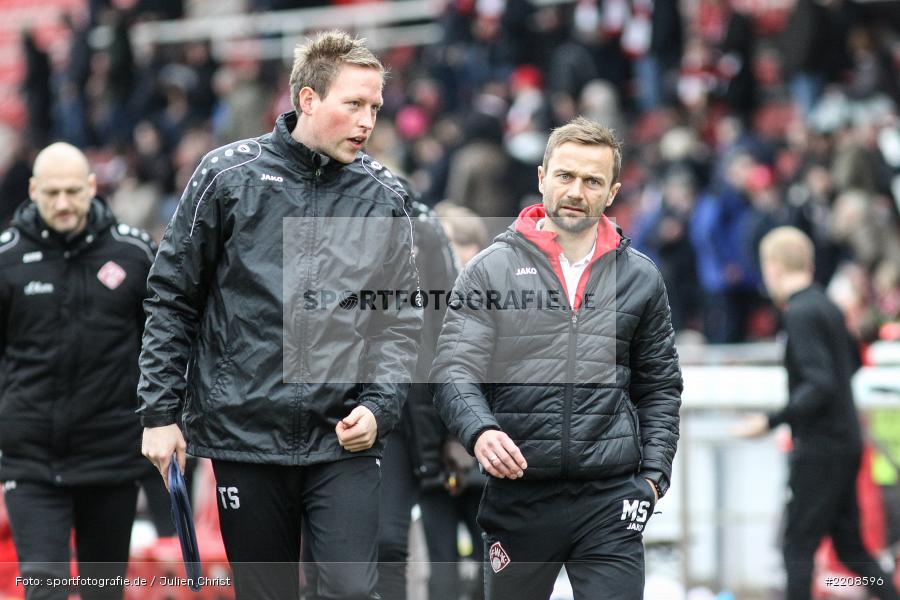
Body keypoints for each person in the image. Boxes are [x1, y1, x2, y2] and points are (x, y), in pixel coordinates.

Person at [137, 30, 422, 600]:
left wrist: (380, 404)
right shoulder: (225, 177)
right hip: (245, 436)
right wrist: (158, 414)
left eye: (375, 108)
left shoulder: (385, 196)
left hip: (345, 439)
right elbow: (172, 298)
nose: (369, 122)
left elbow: (401, 322)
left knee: (351, 592)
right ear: (308, 100)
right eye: (355, 104)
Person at [430, 116, 683, 600]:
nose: (576, 190)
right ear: (542, 177)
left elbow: (659, 385)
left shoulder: (640, 278)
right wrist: (480, 431)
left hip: (610, 500)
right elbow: (453, 371)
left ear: (612, 193)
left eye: (592, 181)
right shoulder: (490, 270)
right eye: (565, 176)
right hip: (519, 495)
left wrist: (652, 478)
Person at [0, 142, 156, 600]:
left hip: (111, 457)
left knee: (102, 592)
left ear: (92, 186)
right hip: (31, 461)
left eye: (72, 191)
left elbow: (163, 346)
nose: (63, 203)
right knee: (43, 588)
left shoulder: (134, 254)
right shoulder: (5, 259)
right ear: (32, 190)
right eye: (51, 193)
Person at [736, 226, 900, 600]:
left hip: (821, 448)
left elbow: (820, 382)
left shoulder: (800, 313)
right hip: (845, 442)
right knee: (850, 548)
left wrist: (771, 420)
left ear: (773, 266)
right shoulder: (827, 306)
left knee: (797, 548)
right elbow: (850, 364)